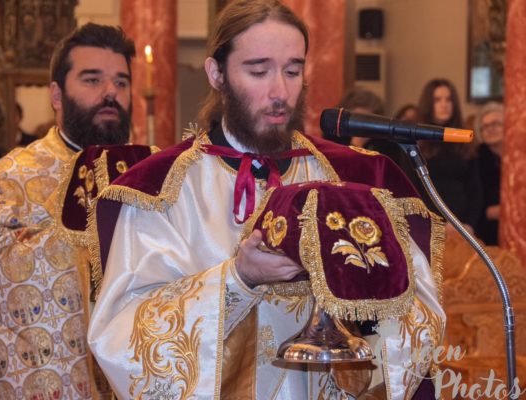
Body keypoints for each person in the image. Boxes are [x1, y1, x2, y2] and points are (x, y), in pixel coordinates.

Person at [88, 1, 444, 398]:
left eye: (293, 71)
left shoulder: (349, 179)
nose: (280, 92)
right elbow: (123, 335)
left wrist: (360, 296)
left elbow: (420, 314)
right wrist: (238, 279)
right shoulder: (164, 189)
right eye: (258, 71)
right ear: (217, 74)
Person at [0, 23, 151, 399]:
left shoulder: (151, 174)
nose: (110, 92)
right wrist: (80, 246)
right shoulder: (18, 175)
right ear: (56, 95)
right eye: (92, 80)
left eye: (120, 82)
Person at [416, 78, 483, 233]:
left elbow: (475, 189)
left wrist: (469, 224)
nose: (444, 104)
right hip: (427, 226)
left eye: (449, 99)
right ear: (428, 104)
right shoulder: (416, 142)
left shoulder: (464, 140)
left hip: (463, 226)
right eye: (438, 100)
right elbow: (412, 189)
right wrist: (438, 224)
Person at [475, 102, 503, 245]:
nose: (490, 129)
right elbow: (474, 200)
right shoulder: (476, 159)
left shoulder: (519, 157)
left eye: (495, 124)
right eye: (485, 127)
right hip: (486, 230)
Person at [0, 102, 38, 171]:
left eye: (13, 115)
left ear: (20, 117)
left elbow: (35, 167)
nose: (9, 119)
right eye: (5, 116)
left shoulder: (32, 141)